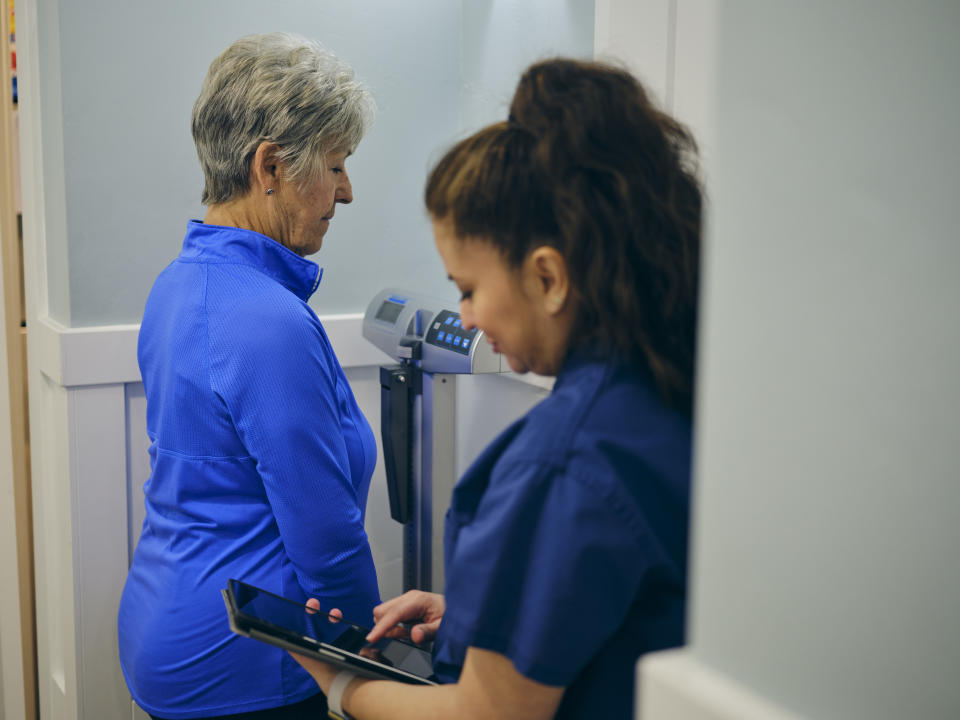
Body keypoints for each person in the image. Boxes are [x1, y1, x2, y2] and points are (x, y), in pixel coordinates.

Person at [291, 57, 701, 719]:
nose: (469, 318)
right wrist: (482, 615)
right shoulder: (667, 392)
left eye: (469, 290)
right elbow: (625, 598)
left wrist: (345, 690)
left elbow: (491, 713)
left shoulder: (563, 463)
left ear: (548, 277)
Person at [117, 33, 381, 719]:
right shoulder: (268, 321)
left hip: (164, 626)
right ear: (270, 166)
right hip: (251, 667)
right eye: (336, 163)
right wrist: (374, 670)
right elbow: (327, 539)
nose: (346, 191)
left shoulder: (175, 287)